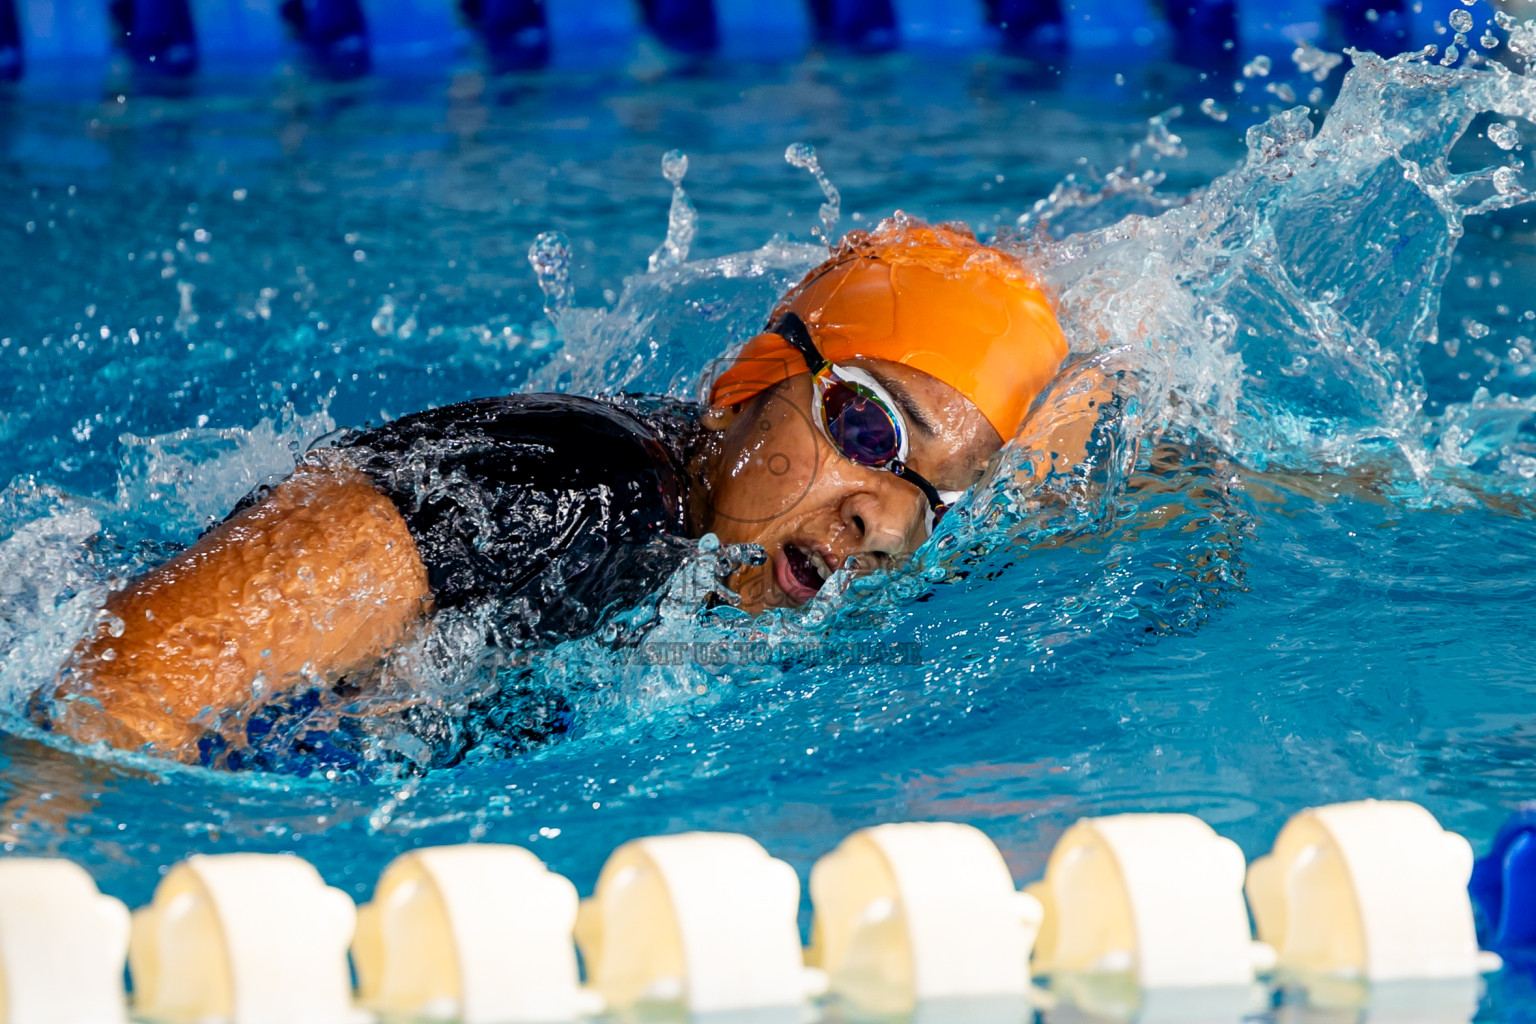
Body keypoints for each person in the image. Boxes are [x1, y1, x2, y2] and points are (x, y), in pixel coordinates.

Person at [39, 218, 1078, 764]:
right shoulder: (575, 493)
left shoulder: (785, 550)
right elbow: (130, 678)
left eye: (928, 496)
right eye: (866, 425)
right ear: (764, 378)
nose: (881, 518)